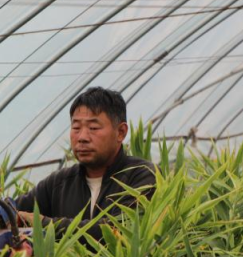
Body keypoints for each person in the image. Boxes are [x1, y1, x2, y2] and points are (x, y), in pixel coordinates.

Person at [14, 87, 155, 236]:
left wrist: (44, 224)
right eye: (76, 127)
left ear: (121, 132)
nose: (82, 137)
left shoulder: (142, 176)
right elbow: (11, 209)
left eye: (93, 128)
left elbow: (116, 231)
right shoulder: (58, 184)